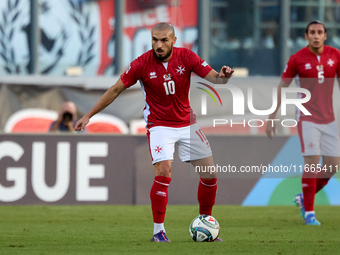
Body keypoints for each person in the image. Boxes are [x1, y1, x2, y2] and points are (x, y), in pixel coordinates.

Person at [75, 22, 234, 241]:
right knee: (163, 171)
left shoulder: (187, 57)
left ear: (173, 41)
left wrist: (224, 76)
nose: (158, 45)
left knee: (210, 175)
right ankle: (158, 231)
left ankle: (205, 223)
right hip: (159, 126)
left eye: (163, 40)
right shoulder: (141, 64)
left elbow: (216, 78)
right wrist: (88, 115)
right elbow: (115, 89)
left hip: (187, 124)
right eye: (154, 40)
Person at [266, 20, 340, 225]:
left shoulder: (335, 55)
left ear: (325, 35)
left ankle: (302, 198)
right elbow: (282, 87)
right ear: (306, 36)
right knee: (312, 161)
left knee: (333, 166)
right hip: (307, 118)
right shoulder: (297, 59)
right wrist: (272, 116)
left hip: (329, 119)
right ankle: (310, 213)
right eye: (312, 32)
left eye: (320, 32)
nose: (316, 36)